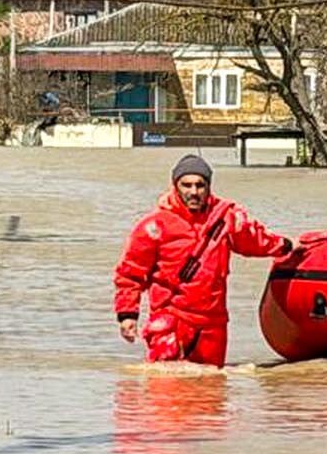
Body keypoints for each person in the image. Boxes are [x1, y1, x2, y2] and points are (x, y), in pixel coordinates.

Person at [114, 153, 294, 366]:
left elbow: (255, 240)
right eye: (186, 185)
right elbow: (130, 274)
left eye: (200, 185)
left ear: (209, 187)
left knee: (212, 384)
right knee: (164, 383)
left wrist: (288, 246)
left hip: (213, 324)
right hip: (171, 320)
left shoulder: (225, 218)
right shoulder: (153, 226)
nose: (193, 191)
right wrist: (127, 315)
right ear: (175, 186)